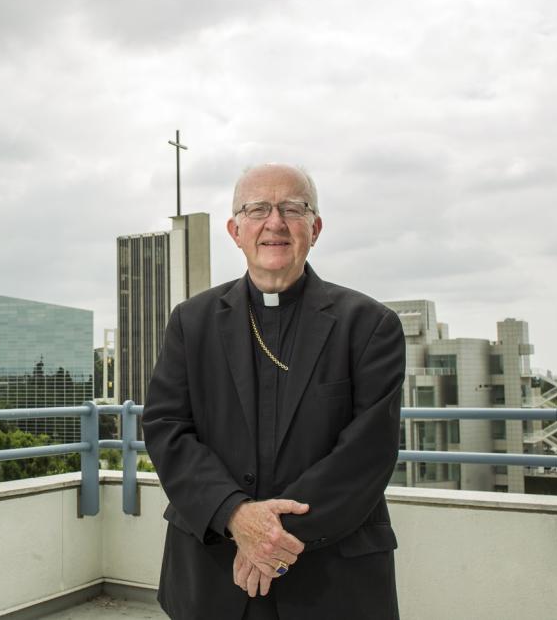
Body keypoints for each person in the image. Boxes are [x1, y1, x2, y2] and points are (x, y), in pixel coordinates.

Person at [142, 163, 405, 619]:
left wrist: (268, 538)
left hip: (331, 580)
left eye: (293, 208)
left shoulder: (369, 326)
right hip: (213, 572)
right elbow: (167, 428)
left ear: (315, 228)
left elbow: (368, 452)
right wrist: (234, 515)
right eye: (258, 209)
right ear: (235, 229)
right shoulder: (191, 321)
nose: (275, 222)